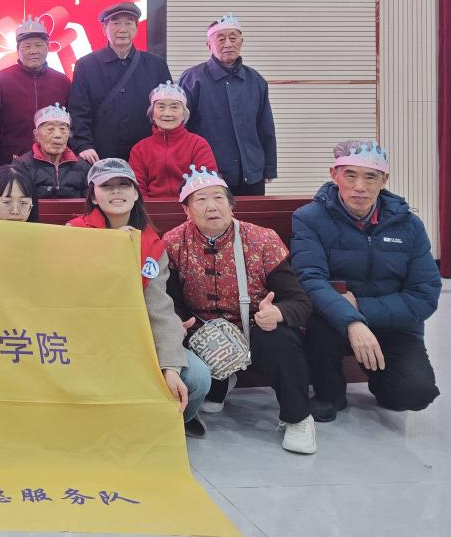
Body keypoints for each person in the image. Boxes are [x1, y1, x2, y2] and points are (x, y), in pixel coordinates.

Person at [164, 166, 316, 453]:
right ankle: (219, 383)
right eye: (200, 200)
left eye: (218, 198)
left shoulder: (263, 240)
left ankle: (298, 418)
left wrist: (278, 313)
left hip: (255, 328)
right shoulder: (172, 243)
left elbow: (300, 302)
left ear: (231, 205)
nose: (211, 206)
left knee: (281, 340)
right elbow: (171, 301)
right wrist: (178, 322)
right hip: (201, 334)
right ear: (186, 210)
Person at [291, 141, 440, 422]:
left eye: (370, 177)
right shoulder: (309, 219)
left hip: (394, 325)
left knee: (414, 394)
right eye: (350, 175)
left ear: (384, 180)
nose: (359, 187)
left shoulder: (409, 225)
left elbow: (425, 293)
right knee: (319, 325)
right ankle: (329, 393)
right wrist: (352, 321)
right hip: (334, 321)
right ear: (334, 175)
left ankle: (383, 379)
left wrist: (360, 308)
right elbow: (310, 279)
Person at [65, 159, 212, 439]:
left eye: (124, 185)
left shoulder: (152, 245)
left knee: (196, 377)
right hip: (85, 339)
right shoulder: (73, 233)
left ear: (136, 194)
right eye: (106, 186)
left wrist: (170, 366)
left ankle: (172, 423)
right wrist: (112, 249)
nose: (116, 191)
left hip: (135, 340)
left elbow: (159, 309)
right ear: (93, 196)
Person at [179, 14, 278, 196]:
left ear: (241, 42)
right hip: (208, 173)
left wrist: (269, 167)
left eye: (233, 38)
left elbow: (265, 127)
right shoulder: (193, 79)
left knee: (252, 214)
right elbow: (181, 128)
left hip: (250, 172)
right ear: (208, 44)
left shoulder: (255, 80)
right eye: (221, 39)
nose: (228, 44)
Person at [67, 1, 172, 163]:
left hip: (148, 154)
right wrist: (83, 145)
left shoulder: (156, 65)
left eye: (129, 23)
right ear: (104, 28)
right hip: (100, 155)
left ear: (136, 28)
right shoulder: (86, 65)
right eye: (116, 23)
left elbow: (168, 107)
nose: (122, 29)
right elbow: (78, 111)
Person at [0, 16, 73, 165]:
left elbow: (73, 122)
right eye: (27, 46)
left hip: (53, 161)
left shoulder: (62, 81)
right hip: (12, 161)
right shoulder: (1, 80)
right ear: (17, 50)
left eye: (39, 45)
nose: (33, 51)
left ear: (47, 48)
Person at [128, 82, 217, 199]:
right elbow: (137, 189)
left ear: (184, 114)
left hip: (191, 206)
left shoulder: (198, 144)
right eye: (161, 107)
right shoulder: (139, 149)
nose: (167, 113)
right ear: (152, 113)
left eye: (174, 107)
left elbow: (207, 185)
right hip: (152, 207)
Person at [15, 104, 88, 200]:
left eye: (63, 129)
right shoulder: (22, 166)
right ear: (36, 135)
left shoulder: (82, 167)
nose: (58, 135)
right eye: (50, 129)